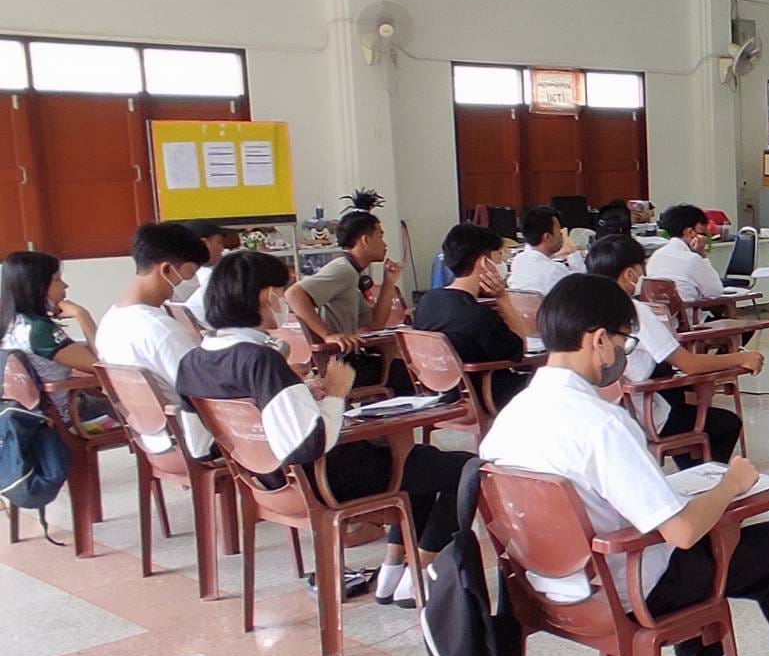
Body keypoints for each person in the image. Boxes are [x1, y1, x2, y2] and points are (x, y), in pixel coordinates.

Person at [480, 274, 769, 656]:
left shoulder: (511, 418)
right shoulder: (600, 424)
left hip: (545, 589)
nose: (625, 354)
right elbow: (681, 532)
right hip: (626, 591)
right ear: (598, 340)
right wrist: (730, 485)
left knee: (693, 540)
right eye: (624, 342)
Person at [177, 252, 473, 608]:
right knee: (464, 468)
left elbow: (200, 448)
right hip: (321, 481)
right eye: (280, 292)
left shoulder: (192, 362)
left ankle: (393, 572)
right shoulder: (260, 360)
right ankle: (418, 574)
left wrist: (299, 398)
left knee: (422, 463)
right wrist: (334, 393)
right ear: (265, 296)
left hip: (265, 484)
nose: (283, 301)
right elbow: (308, 445)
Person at [586, 234, 764, 467]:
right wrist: (741, 358)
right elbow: (689, 364)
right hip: (649, 416)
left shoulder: (587, 311)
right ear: (630, 274)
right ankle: (703, 482)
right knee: (726, 424)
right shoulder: (634, 311)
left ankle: (692, 475)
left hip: (611, 413)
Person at [94, 223, 213, 457]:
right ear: (167, 270)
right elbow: (208, 391)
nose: (191, 285)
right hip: (190, 443)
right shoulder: (162, 330)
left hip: (151, 438)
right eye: (189, 276)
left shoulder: (110, 320)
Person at [411, 224, 539, 408]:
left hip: (444, 395)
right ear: (484, 262)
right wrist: (502, 298)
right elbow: (520, 349)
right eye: (499, 256)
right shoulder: (478, 316)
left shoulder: (427, 302)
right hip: (486, 396)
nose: (502, 264)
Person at [287, 209, 410, 392]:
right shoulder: (343, 270)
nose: (385, 244)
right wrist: (328, 335)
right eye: (380, 236)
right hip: (343, 365)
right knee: (413, 372)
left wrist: (389, 282)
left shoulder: (351, 272)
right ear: (365, 240)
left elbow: (375, 323)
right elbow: (293, 294)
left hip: (347, 361)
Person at [0, 251, 113, 426]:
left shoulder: (10, 323)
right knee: (138, 406)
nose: (65, 285)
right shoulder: (39, 331)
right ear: (38, 285)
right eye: (57, 280)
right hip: (65, 416)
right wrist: (82, 316)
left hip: (28, 414)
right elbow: (104, 367)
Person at [648, 203, 727, 303]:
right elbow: (715, 291)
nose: (706, 238)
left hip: (659, 312)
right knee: (727, 306)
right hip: (688, 312)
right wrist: (702, 255)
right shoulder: (692, 259)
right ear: (690, 232)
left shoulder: (656, 256)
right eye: (702, 233)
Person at [506, 206, 580, 296]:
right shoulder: (554, 271)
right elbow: (581, 288)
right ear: (547, 237)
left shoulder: (518, 260)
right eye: (559, 231)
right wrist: (573, 252)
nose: (562, 236)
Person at [173, 219, 234, 324]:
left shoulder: (175, 273)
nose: (222, 249)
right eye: (219, 242)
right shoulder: (192, 279)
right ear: (204, 244)